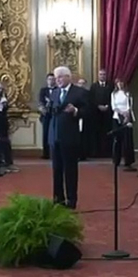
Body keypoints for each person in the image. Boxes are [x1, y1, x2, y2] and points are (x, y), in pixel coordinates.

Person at [47, 66, 89, 209]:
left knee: (70, 171)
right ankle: (58, 199)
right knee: (56, 170)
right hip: (55, 137)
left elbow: (88, 111)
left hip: (69, 138)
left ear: (68, 77)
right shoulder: (54, 93)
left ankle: (71, 200)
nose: (57, 80)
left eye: (60, 77)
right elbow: (50, 111)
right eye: (56, 77)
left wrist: (76, 111)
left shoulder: (79, 92)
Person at [110, 79, 135, 170]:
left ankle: (128, 161)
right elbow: (114, 106)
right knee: (117, 140)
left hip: (127, 117)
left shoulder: (128, 93)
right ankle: (116, 160)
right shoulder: (114, 94)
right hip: (117, 117)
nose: (120, 84)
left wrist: (126, 115)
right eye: (118, 83)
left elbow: (130, 106)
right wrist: (120, 113)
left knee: (127, 140)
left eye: (121, 82)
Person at [38, 73, 56, 159]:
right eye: (49, 79)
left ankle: (54, 153)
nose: (51, 81)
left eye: (52, 79)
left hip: (54, 114)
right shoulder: (43, 90)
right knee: (45, 134)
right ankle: (46, 153)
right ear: (47, 80)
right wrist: (42, 108)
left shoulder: (58, 89)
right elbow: (40, 101)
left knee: (54, 134)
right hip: (45, 115)